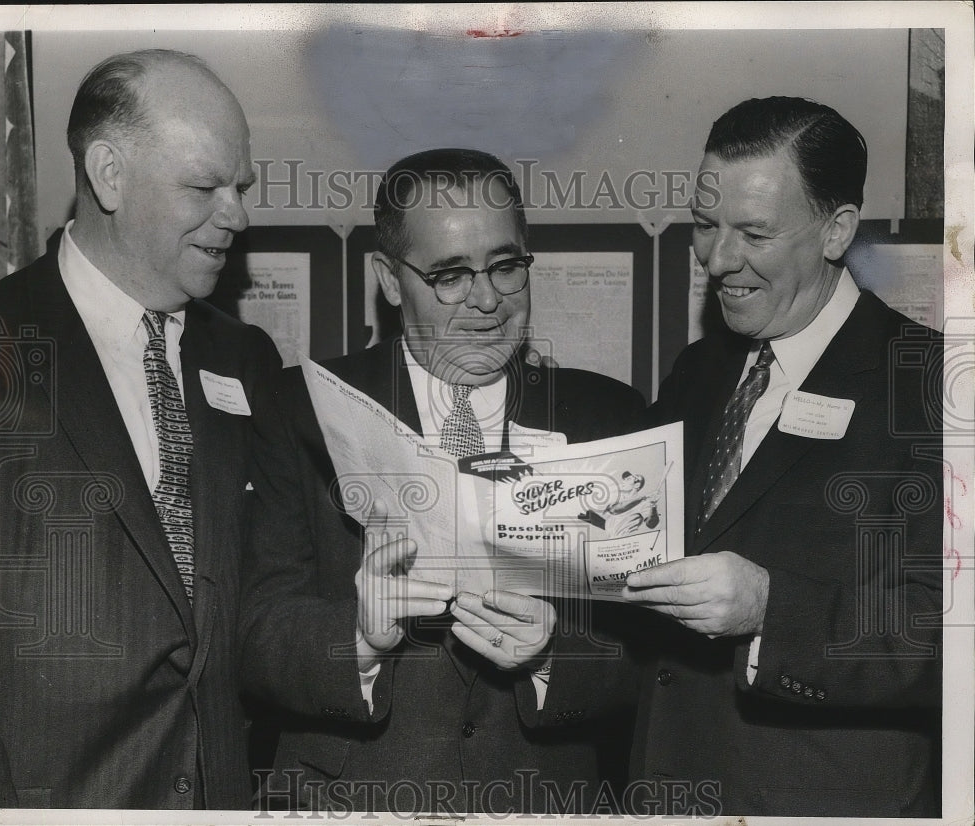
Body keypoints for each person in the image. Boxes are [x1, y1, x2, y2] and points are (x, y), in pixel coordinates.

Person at [239, 148, 647, 814]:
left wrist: (550, 658)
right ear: (390, 279)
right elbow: (255, 633)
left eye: (507, 266)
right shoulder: (300, 408)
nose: (487, 300)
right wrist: (358, 637)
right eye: (451, 275)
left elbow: (656, 662)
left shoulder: (608, 416)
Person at [623, 97, 942, 817]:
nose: (718, 260)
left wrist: (772, 610)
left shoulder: (934, 387)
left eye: (754, 233)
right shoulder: (699, 373)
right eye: (706, 226)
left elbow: (949, 641)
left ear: (837, 232)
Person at [0, 49, 281, 809]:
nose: (237, 216)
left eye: (240, 188)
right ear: (109, 173)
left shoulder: (245, 357)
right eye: (204, 187)